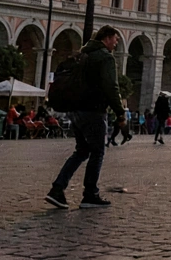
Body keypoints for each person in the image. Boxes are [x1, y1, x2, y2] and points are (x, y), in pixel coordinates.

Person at [46, 25, 124, 209]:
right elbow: (111, 87)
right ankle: (90, 194)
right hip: (93, 110)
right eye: (115, 39)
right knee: (97, 151)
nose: (116, 43)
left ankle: (57, 189)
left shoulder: (82, 54)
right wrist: (120, 112)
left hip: (75, 110)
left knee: (82, 151)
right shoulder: (105, 58)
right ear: (106, 38)